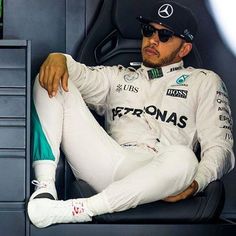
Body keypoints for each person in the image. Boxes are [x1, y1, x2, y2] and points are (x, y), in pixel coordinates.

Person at [28, 1, 234, 228]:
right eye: (148, 31)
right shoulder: (117, 77)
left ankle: (79, 210)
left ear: (184, 49)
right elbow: (77, 73)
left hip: (163, 173)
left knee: (185, 158)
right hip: (112, 164)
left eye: (165, 35)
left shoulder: (204, 81)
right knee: (51, 77)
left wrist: (198, 181)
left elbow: (220, 148)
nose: (153, 40)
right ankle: (45, 191)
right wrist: (60, 58)